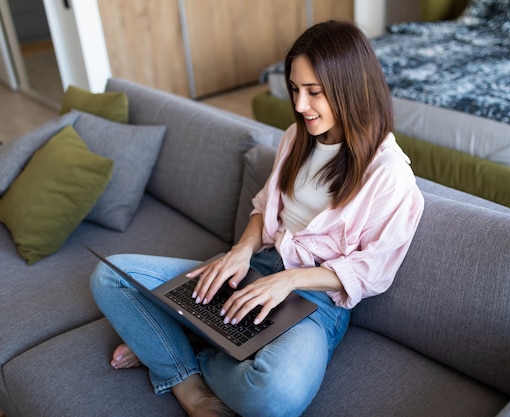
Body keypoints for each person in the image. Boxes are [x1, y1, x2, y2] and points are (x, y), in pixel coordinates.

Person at [90, 20, 424, 417]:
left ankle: (184, 347)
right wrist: (241, 249)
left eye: (313, 93)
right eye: (295, 90)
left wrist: (290, 280)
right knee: (111, 276)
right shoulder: (296, 137)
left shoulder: (390, 174)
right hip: (259, 267)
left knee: (272, 396)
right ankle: (187, 384)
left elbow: (373, 271)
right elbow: (265, 206)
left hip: (314, 299)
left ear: (350, 87)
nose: (300, 106)